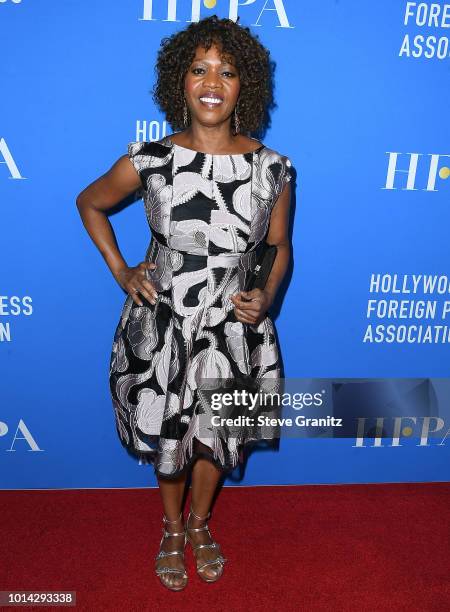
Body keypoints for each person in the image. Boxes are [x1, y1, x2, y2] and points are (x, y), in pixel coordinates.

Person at [76, 15, 293, 592]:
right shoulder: (149, 161)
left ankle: (201, 524)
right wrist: (122, 270)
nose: (212, 81)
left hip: (234, 329)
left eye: (227, 70)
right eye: (199, 69)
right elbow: (90, 203)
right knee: (170, 435)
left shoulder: (273, 169)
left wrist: (266, 295)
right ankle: (172, 529)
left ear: (246, 84)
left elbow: (278, 246)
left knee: (215, 437)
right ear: (181, 81)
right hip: (165, 324)